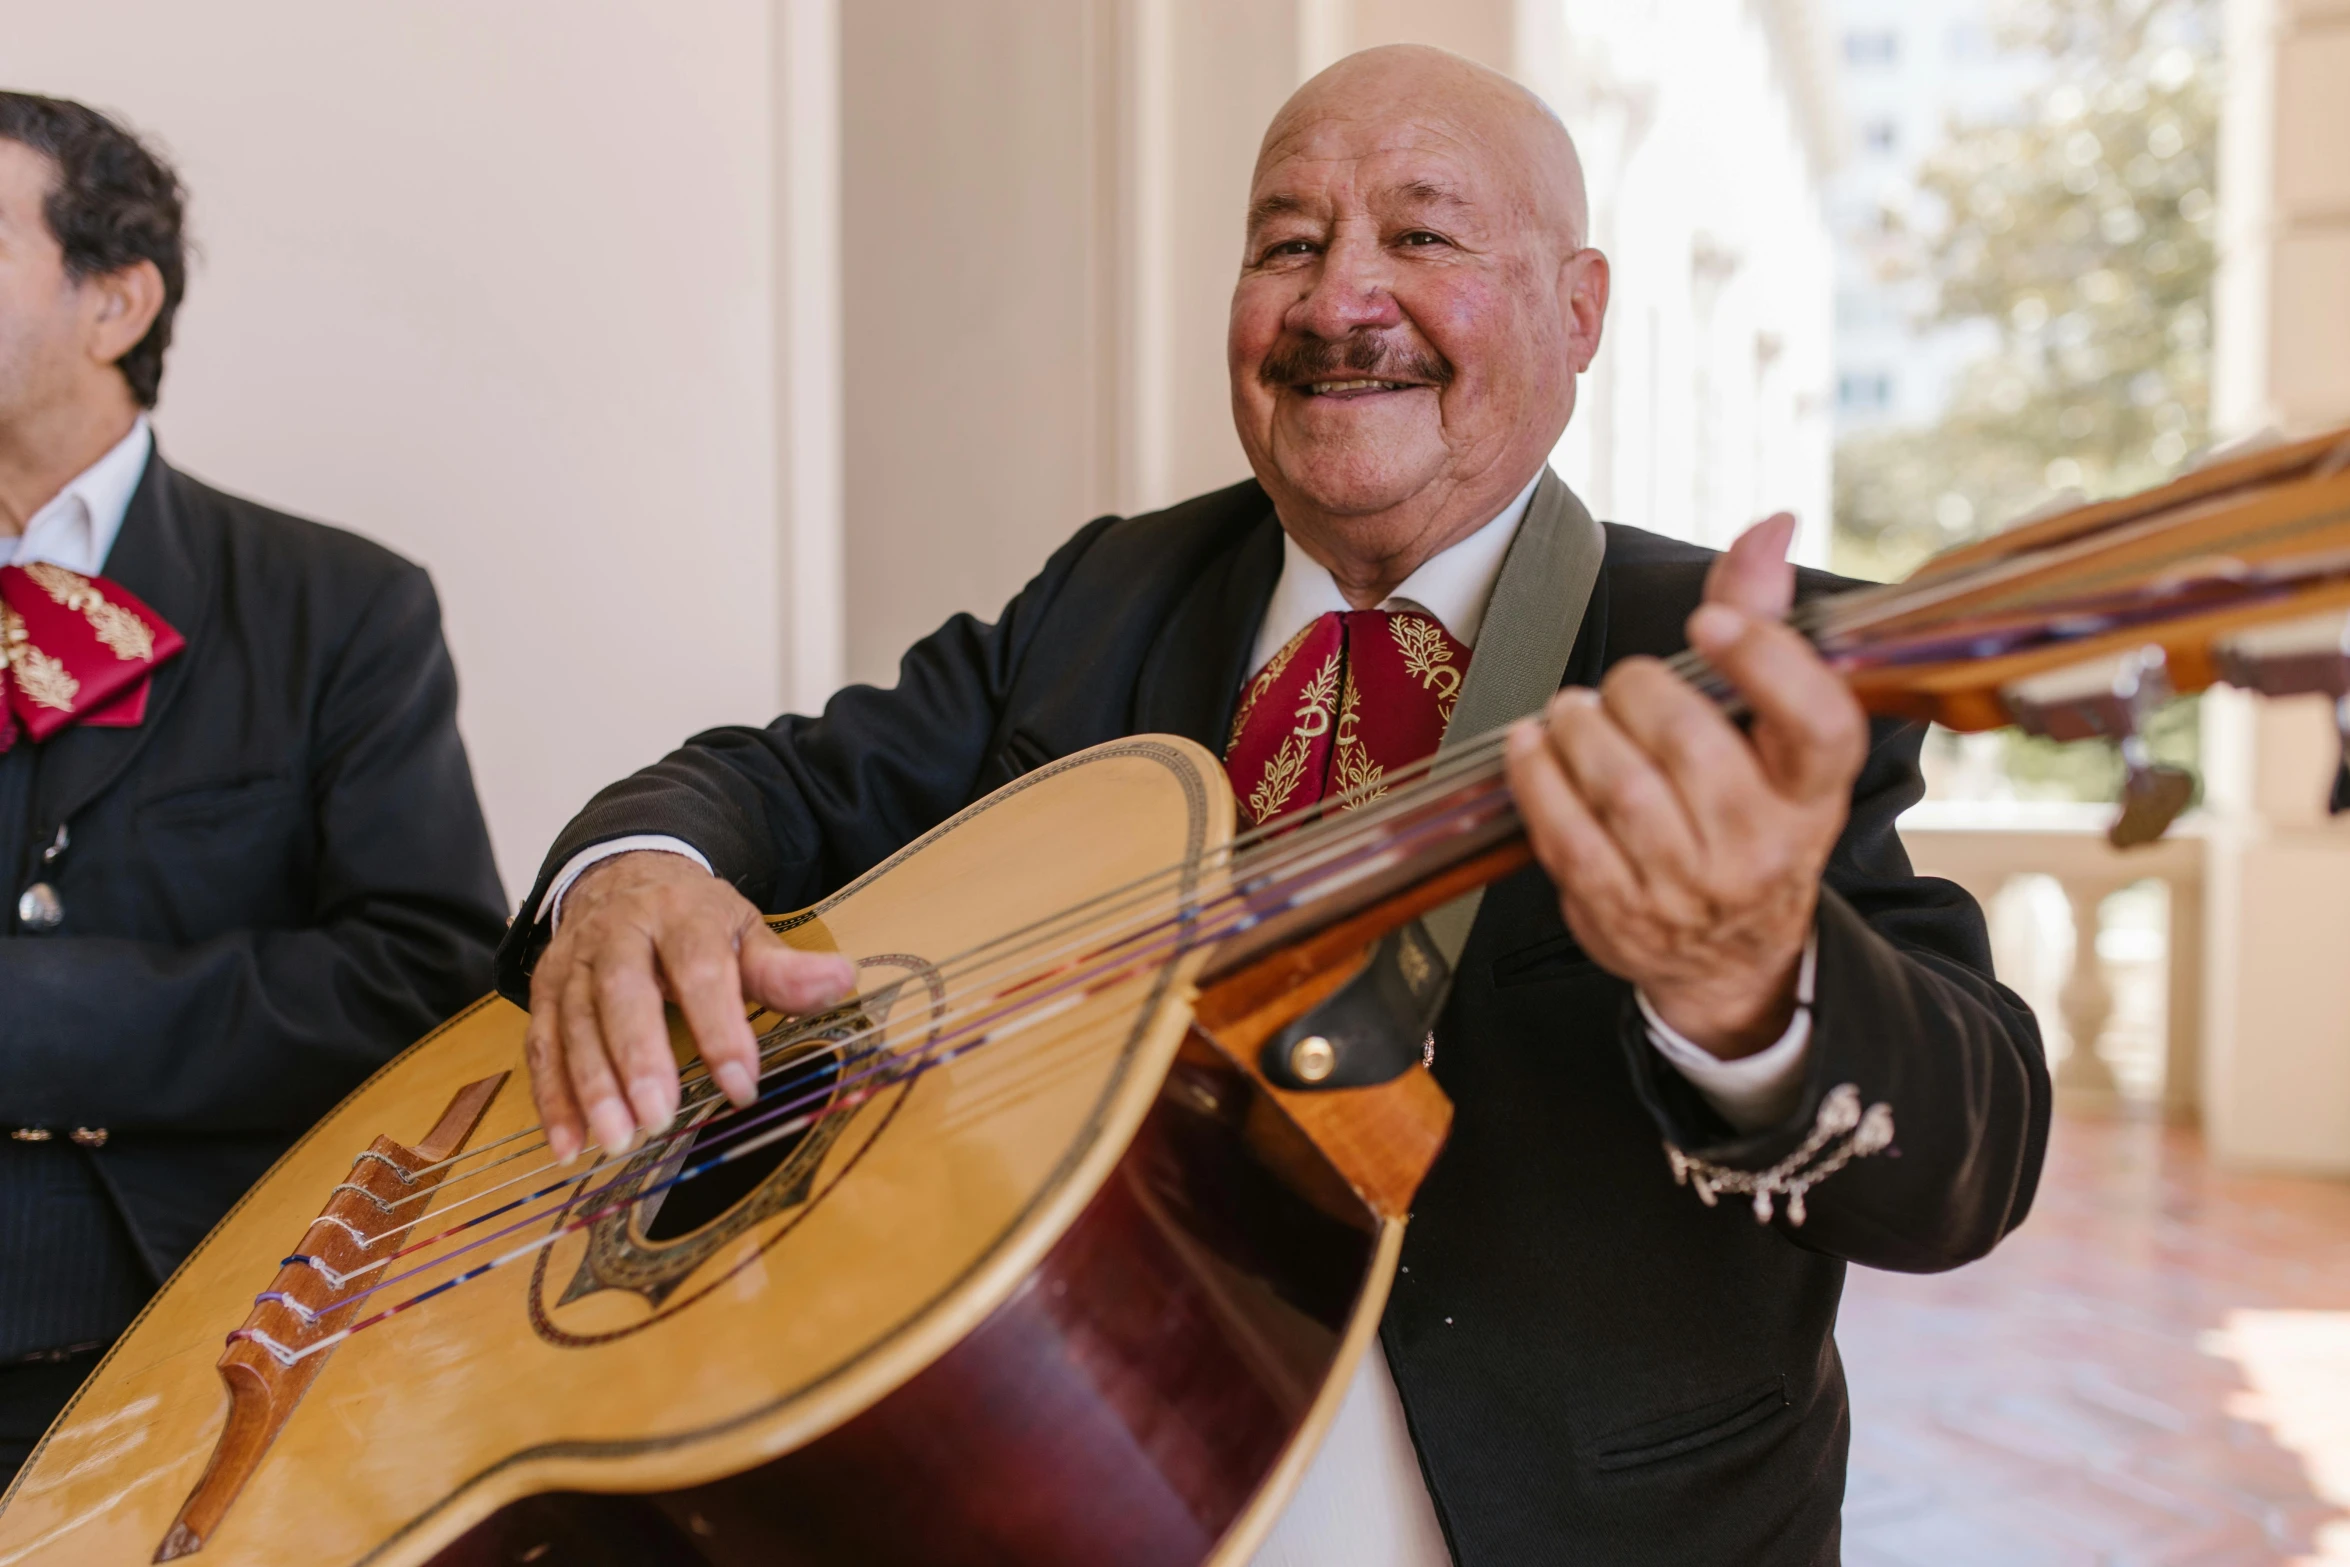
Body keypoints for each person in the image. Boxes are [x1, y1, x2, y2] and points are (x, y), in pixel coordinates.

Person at [500, 46, 2046, 1566]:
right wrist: (639, 871)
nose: (1335, 300)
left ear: (1576, 314)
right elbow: (780, 780)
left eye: (1420, 234)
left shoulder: (1739, 662)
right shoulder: (1106, 591)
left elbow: (1966, 1162)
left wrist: (1750, 982)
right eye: (1285, 244)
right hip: (1066, 1465)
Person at [0, 94, 506, 1487]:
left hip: (185, 1341)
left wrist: (34, 1013)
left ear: (115, 301)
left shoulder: (342, 607)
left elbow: (424, 977)